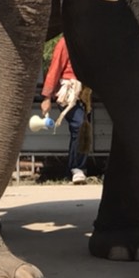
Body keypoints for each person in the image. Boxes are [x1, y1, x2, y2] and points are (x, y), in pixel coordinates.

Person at [40, 36, 89, 184]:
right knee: (79, 125)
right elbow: (55, 68)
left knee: (84, 128)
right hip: (68, 91)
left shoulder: (89, 40)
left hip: (84, 92)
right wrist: (47, 97)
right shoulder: (65, 42)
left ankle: (76, 168)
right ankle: (76, 167)